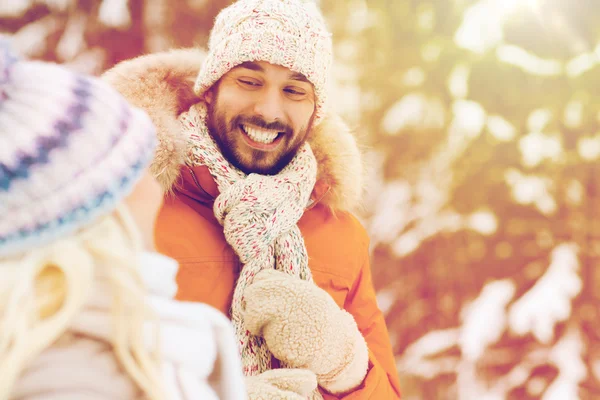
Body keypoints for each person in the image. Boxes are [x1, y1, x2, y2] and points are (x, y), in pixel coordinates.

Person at [103, 0, 402, 398]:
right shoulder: (132, 211)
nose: (268, 110)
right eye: (249, 81)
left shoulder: (342, 236)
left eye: (295, 90)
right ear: (210, 89)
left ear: (315, 112)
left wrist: (345, 364)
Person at [0, 39, 246, 400]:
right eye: (136, 166)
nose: (155, 188)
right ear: (96, 208)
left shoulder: (88, 345)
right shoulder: (82, 380)